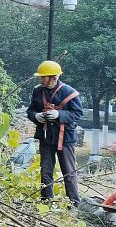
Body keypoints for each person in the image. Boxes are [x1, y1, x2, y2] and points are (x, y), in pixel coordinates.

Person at [27, 60, 84, 204]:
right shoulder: (38, 91)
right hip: (46, 136)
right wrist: (36, 116)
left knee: (69, 172)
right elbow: (30, 111)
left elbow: (78, 113)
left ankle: (74, 203)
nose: (40, 80)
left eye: (43, 77)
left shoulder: (69, 92)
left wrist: (60, 115)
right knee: (45, 171)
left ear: (54, 78)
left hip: (65, 138)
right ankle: (46, 202)